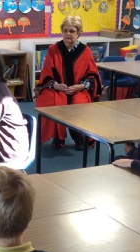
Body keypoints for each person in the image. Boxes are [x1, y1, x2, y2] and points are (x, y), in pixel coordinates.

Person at [34, 16, 102, 151]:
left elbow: (92, 75)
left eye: (72, 31)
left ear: (79, 33)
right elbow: (46, 74)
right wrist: (56, 85)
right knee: (55, 101)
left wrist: (81, 86)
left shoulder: (85, 51)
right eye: (65, 30)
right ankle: (58, 137)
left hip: (78, 89)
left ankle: (78, 136)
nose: (68, 34)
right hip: (58, 89)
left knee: (79, 102)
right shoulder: (53, 49)